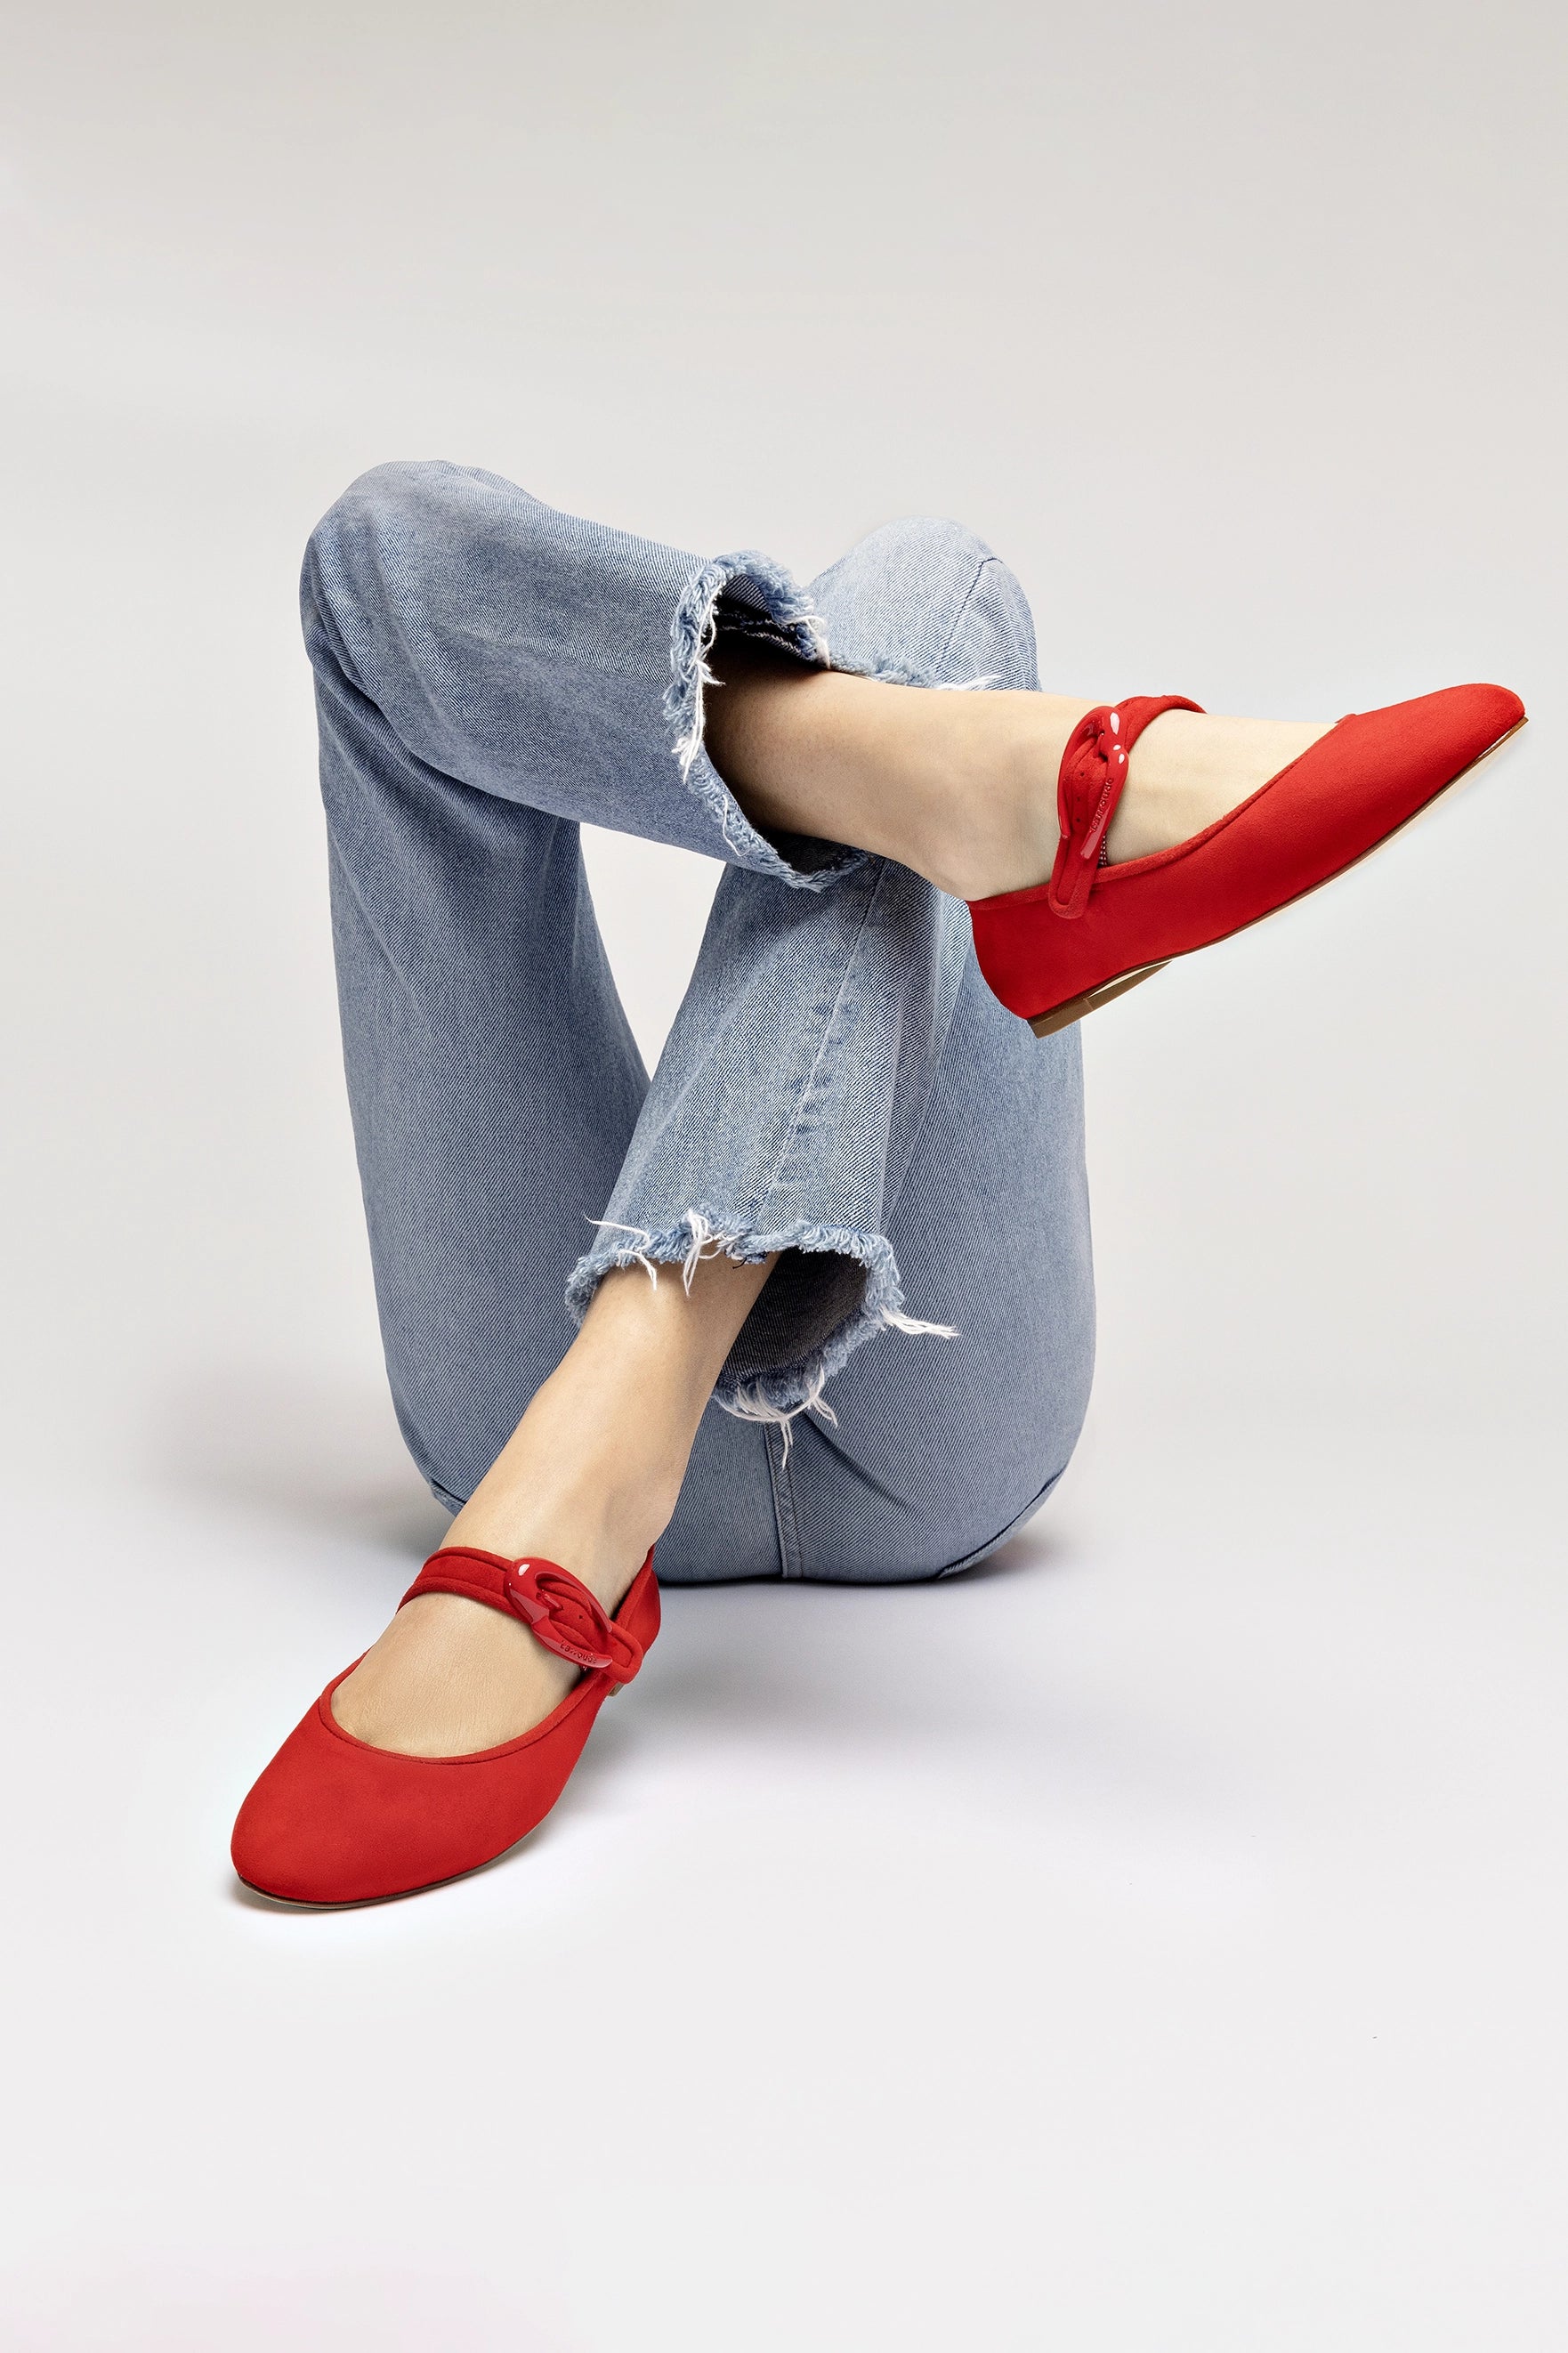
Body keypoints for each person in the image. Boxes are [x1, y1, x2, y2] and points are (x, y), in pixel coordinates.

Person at [230, 461, 1524, 1907]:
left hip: (748, 1437)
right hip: (714, 1420)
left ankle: (610, 1436)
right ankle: (980, 790)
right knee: (388, 549)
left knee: (924, 582)